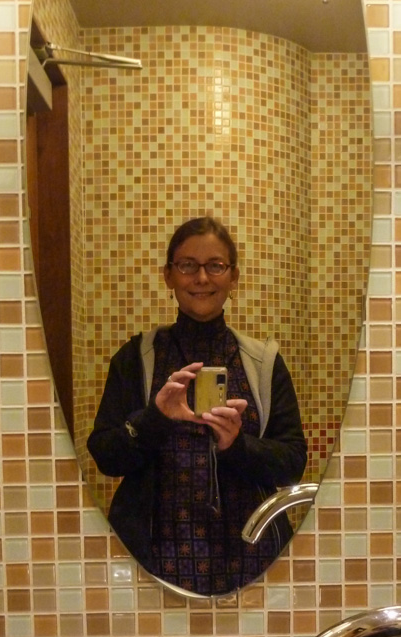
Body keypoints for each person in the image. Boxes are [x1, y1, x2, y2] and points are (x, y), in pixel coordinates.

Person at [87, 216, 307, 596]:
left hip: (251, 557)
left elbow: (292, 463)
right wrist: (154, 419)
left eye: (215, 266)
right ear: (168, 276)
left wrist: (237, 444)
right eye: (187, 265)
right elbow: (106, 456)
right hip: (153, 557)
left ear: (233, 276)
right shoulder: (136, 358)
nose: (201, 278)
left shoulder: (263, 362)